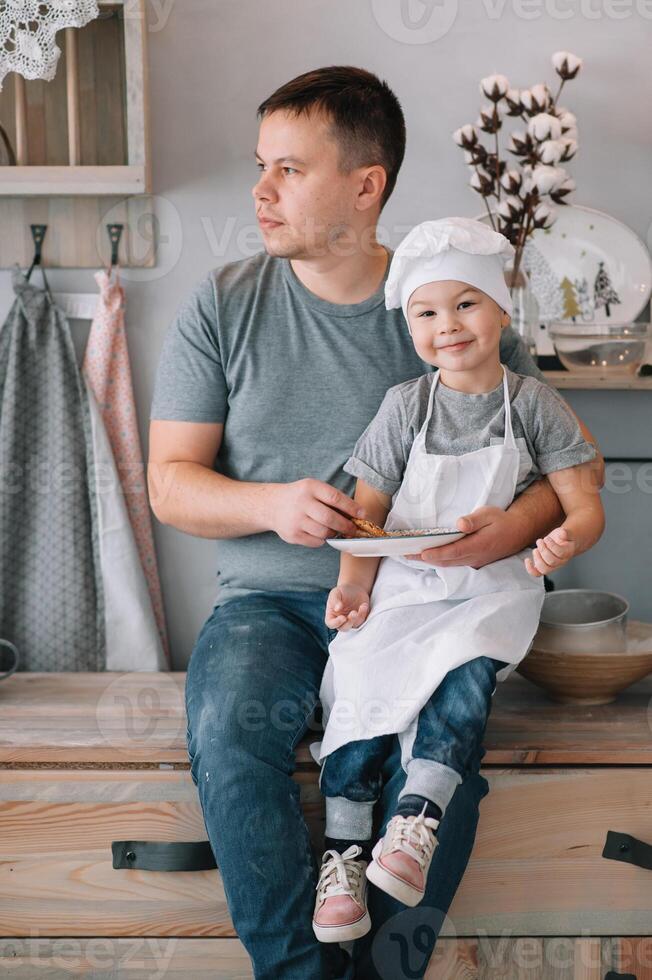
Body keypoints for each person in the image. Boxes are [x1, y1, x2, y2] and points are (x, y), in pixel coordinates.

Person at [148, 67, 605, 980]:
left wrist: (509, 531)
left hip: (433, 604)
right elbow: (170, 484)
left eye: (288, 169)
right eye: (259, 166)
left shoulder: (454, 307)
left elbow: (565, 467)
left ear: (366, 184)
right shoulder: (225, 302)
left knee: (434, 776)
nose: (261, 191)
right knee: (233, 734)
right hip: (272, 609)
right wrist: (274, 503)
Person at [310, 217, 605, 944]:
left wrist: (563, 538)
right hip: (403, 589)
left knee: (465, 676)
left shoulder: (533, 404)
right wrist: (353, 586)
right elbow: (367, 515)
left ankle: (417, 824)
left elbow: (585, 503)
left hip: (489, 592)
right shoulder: (404, 407)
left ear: (502, 308)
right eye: (428, 311)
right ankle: (345, 854)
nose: (449, 325)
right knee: (358, 680)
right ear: (409, 322)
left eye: (467, 304)